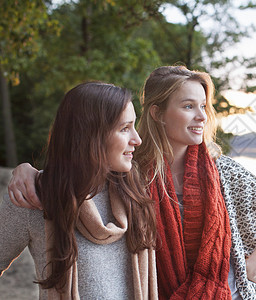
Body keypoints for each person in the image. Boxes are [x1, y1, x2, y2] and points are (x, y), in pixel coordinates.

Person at [8, 66, 256, 300]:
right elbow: (81, 169)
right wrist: (31, 173)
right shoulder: (129, 173)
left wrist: (251, 265)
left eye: (203, 106)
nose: (201, 116)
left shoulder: (222, 171)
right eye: (188, 106)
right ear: (158, 114)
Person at [1, 82, 158, 299]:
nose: (137, 140)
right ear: (90, 135)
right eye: (124, 128)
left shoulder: (137, 194)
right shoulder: (34, 198)